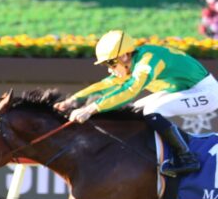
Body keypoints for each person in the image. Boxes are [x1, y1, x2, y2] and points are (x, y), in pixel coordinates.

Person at [57, 30, 218, 176]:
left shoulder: (146, 62)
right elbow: (107, 84)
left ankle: (187, 158)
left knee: (153, 110)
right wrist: (74, 99)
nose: (109, 69)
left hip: (206, 92)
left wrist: (91, 108)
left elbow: (130, 91)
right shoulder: (132, 62)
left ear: (124, 56)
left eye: (111, 63)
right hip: (182, 90)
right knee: (135, 110)